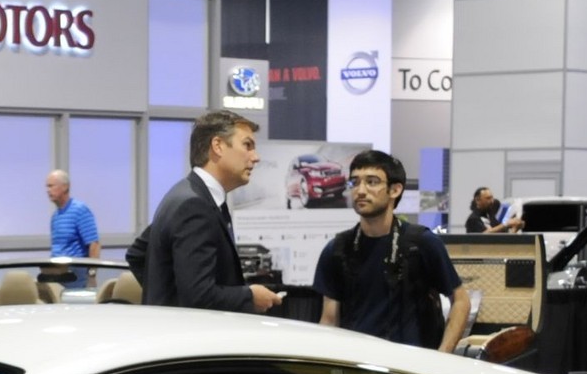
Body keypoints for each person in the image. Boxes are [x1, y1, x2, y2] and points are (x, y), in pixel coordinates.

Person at [314, 150, 470, 352]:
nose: (360, 191)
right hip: (355, 367)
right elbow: (329, 320)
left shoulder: (421, 243)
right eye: (355, 182)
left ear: (394, 190)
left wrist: (442, 356)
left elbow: (461, 301)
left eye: (371, 182)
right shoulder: (337, 249)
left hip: (409, 371)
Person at [126, 110, 279, 314]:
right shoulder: (194, 205)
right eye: (247, 145)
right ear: (218, 146)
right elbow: (199, 296)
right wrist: (250, 297)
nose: (256, 157)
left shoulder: (185, 194)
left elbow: (137, 254)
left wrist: (164, 298)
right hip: (189, 338)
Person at [45, 169, 99, 260]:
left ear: (65, 187)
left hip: (75, 270)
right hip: (56, 269)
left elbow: (94, 244)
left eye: (51, 186)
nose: (48, 190)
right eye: (47, 187)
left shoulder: (80, 210)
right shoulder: (55, 216)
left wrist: (92, 272)